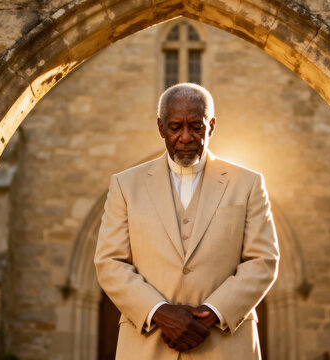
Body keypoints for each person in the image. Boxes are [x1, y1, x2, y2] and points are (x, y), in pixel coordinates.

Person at [94, 83, 279, 359]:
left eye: (196, 126)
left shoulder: (248, 184)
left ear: (211, 126)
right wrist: (160, 312)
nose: (185, 137)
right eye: (175, 127)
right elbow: (109, 262)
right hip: (146, 346)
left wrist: (210, 315)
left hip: (225, 345)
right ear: (160, 128)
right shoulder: (124, 185)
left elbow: (263, 261)